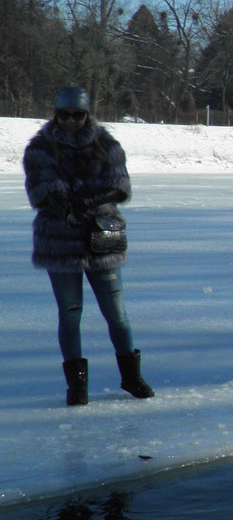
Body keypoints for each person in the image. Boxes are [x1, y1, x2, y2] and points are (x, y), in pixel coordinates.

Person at [24, 87, 154, 406]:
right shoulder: (40, 148)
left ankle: (131, 376)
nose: (70, 121)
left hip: (102, 239)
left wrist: (92, 200)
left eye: (78, 115)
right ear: (56, 114)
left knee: (117, 315)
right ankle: (77, 386)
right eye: (64, 114)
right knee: (70, 314)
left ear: (87, 114)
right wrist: (60, 201)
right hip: (60, 242)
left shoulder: (106, 145)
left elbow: (120, 185)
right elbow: (39, 187)